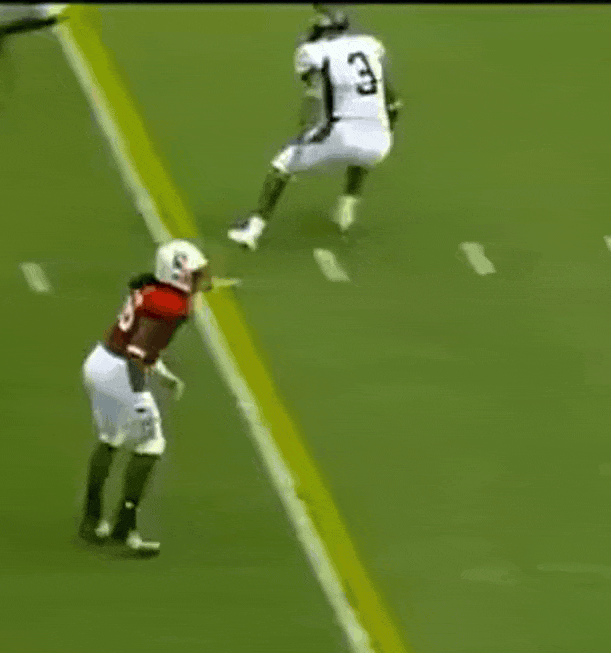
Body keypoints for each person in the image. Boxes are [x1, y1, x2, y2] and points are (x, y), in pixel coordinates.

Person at [228, 6, 402, 251]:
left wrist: (305, 129)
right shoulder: (368, 45)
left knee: (283, 163)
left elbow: (313, 94)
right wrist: (387, 133)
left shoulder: (315, 52)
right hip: (380, 140)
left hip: (341, 133)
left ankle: (252, 230)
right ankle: (347, 209)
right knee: (363, 153)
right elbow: (393, 103)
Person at [79, 240, 212, 557]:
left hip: (101, 360)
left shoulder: (152, 290)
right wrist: (139, 396)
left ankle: (91, 519)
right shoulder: (172, 305)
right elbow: (138, 352)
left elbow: (137, 341)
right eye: (195, 274)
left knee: (110, 437)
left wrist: (161, 372)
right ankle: (125, 527)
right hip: (122, 371)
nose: (201, 279)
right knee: (151, 444)